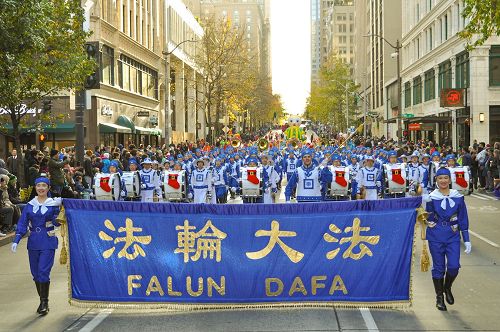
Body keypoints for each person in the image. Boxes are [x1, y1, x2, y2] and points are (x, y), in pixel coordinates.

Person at [11, 177, 62, 315]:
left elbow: (58, 223)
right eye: (38, 185)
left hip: (48, 241)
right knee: (35, 274)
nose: (41, 188)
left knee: (43, 272)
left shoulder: (53, 204)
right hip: (33, 242)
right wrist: (16, 239)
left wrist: (59, 210)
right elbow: (22, 223)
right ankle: (43, 299)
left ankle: (44, 302)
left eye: (44, 185)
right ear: (35, 187)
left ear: (48, 188)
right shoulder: (29, 205)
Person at [425, 167, 471, 311]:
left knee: (454, 266)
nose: (443, 181)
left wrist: (467, 238)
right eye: (440, 178)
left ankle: (447, 287)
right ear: (436, 180)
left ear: (450, 180)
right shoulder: (432, 197)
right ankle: (439, 297)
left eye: (445, 178)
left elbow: (463, 216)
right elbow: (429, 217)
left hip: (453, 235)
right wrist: (426, 211)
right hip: (435, 235)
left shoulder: (457, 196)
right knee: (438, 267)